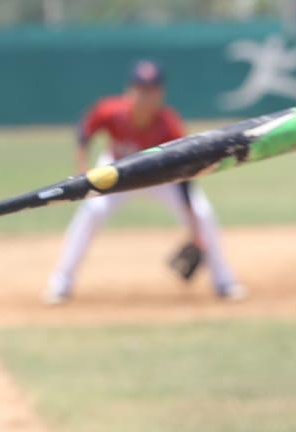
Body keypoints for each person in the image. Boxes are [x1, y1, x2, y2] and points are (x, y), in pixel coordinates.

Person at [43, 60, 244, 304]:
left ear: (161, 94)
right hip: (116, 172)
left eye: (151, 89)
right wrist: (83, 165)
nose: (145, 96)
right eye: (140, 88)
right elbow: (85, 128)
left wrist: (193, 225)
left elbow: (185, 175)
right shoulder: (111, 111)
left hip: (161, 177)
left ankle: (224, 281)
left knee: (203, 215)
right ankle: (61, 282)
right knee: (91, 211)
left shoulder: (169, 125)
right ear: (129, 90)